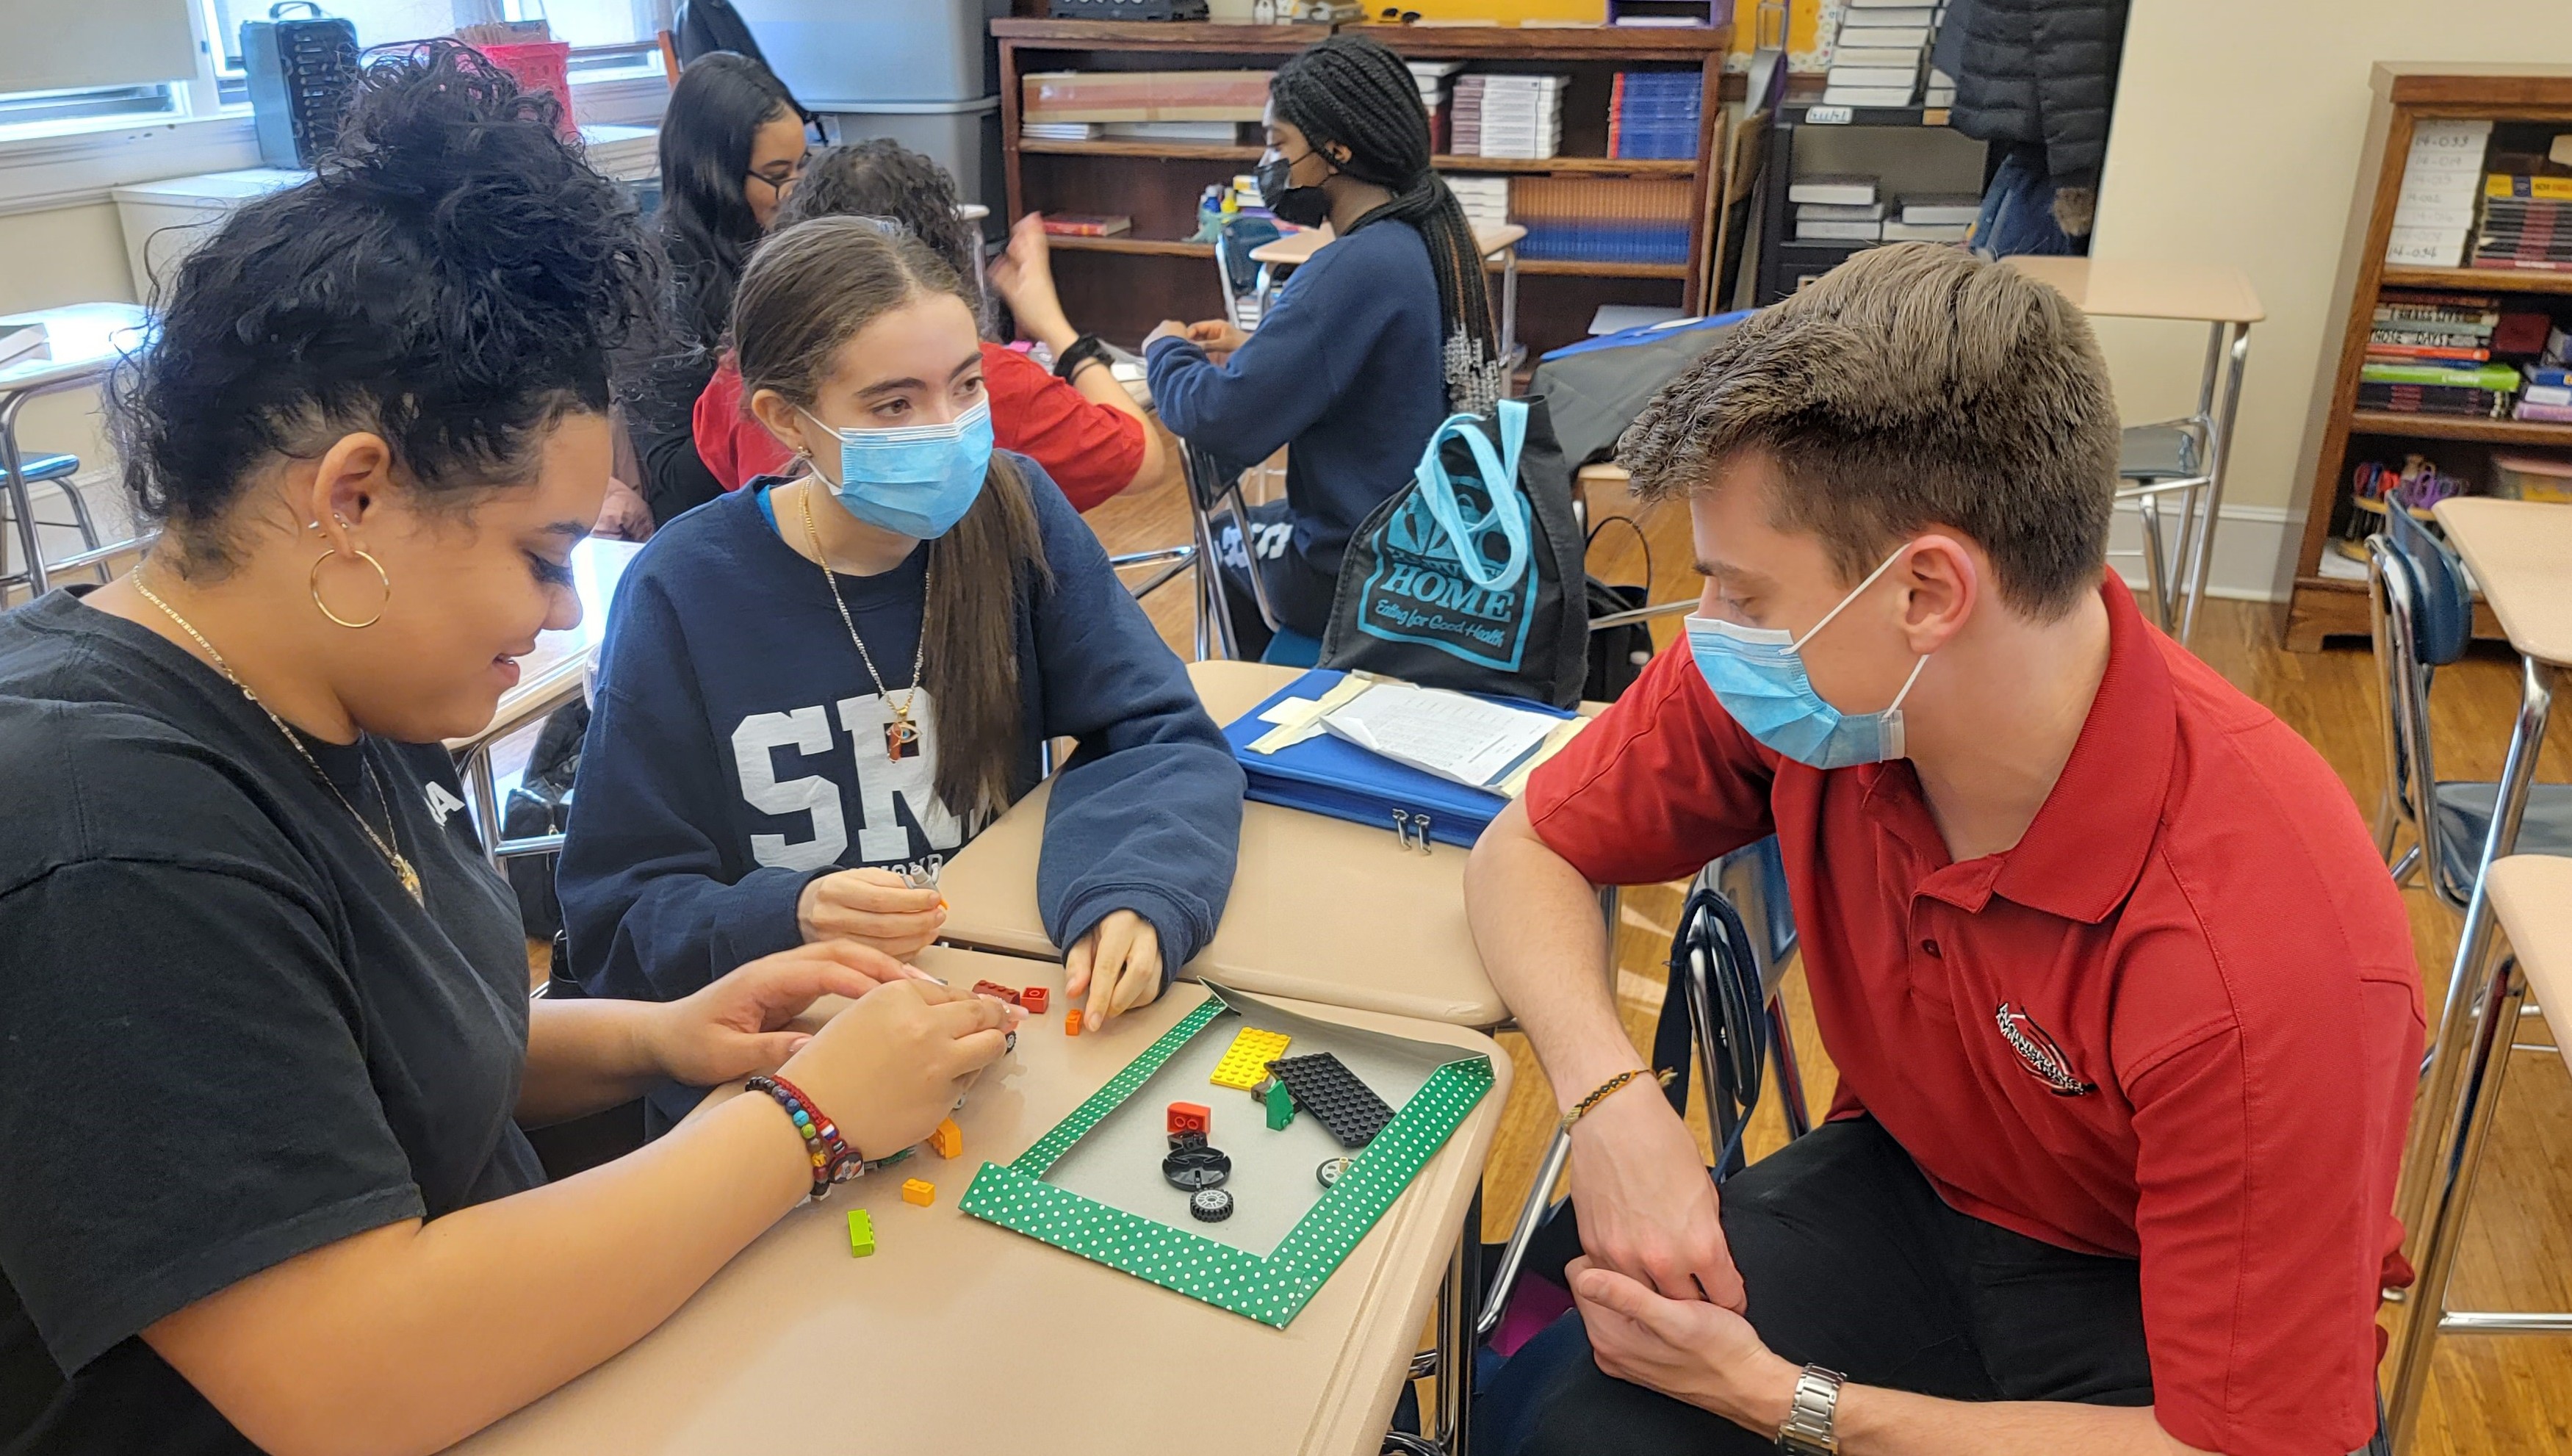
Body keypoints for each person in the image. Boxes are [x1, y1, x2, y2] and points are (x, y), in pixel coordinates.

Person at [0, 48, 1009, 1456]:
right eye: (539, 552)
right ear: (352, 496)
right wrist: (801, 1120)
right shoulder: (107, 841)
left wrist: (659, 1034)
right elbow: (349, 1377)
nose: (555, 607)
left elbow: (359, 1057)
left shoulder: (329, 696)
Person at [1466, 244, 2421, 1456]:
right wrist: (1609, 1101)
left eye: (1743, 595)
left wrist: (1785, 1403)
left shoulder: (2266, 953)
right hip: (1920, 1188)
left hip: (2148, 1311)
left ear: (1928, 593)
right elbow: (1526, 849)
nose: (1710, 636)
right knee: (1563, 1423)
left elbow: (2245, 1446)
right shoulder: (1828, 672)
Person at [558, 215, 1243, 1134]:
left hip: (998, 1032)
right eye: (893, 406)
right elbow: (620, 916)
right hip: (782, 1081)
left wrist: (1135, 886)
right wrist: (786, 912)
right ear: (785, 419)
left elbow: (1156, 730)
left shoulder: (1014, 511)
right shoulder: (685, 589)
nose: (948, 431)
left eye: (965, 387)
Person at [1143, 32, 1505, 660]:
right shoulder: (1430, 233)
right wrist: (1261, 347)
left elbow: (1219, 419)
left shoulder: (1354, 266)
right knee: (1256, 528)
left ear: (1337, 149)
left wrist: (1164, 352)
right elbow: (1376, 369)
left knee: (1223, 538)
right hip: (1435, 545)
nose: (1267, 163)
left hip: (1361, 570)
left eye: (1278, 143)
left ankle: (1264, 690)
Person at [691, 139, 1178, 509]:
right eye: (895, 405)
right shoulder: (991, 380)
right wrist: (1052, 323)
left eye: (965, 388)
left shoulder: (741, 371)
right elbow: (1140, 460)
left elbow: (722, 463)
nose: (945, 420)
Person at [628, 51, 807, 527]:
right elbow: (671, 477)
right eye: (776, 176)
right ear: (714, 173)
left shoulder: (781, 243)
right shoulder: (657, 278)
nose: (795, 192)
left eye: (801, 166)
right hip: (714, 524)